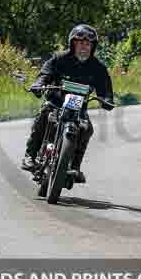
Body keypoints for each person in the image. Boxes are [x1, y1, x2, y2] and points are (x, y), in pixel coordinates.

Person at [21, 24, 115, 183]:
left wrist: (107, 100)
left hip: (78, 109)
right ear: (73, 44)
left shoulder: (98, 68)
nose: (83, 47)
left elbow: (105, 90)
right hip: (55, 103)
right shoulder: (59, 59)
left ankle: (74, 167)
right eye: (80, 43)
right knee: (44, 115)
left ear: (93, 46)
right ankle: (30, 156)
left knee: (86, 128)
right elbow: (44, 75)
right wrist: (38, 84)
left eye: (87, 44)